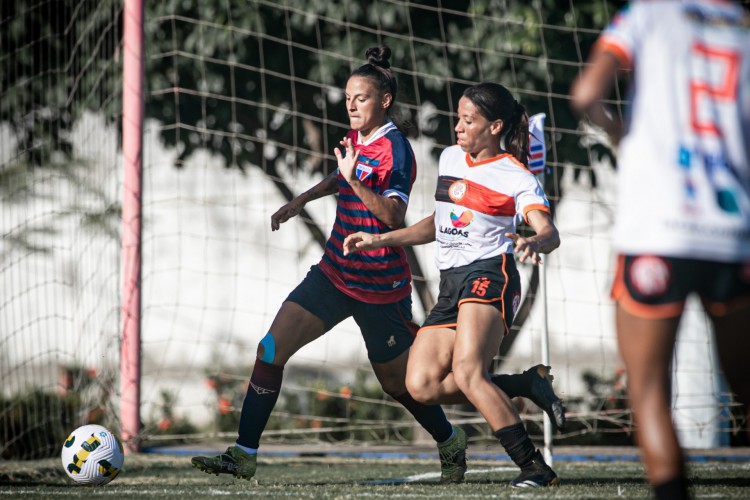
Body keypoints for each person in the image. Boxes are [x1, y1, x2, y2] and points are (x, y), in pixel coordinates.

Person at [570, 2, 750, 499]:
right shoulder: (741, 26)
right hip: (732, 229)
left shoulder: (648, 14)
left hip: (658, 229)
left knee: (648, 393)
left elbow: (586, 93)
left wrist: (623, 134)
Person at [344, 82, 562, 488]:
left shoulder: (515, 176)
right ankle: (526, 383)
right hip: (450, 284)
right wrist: (380, 239)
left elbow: (549, 231)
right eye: (458, 118)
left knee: (467, 371)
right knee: (420, 384)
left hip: (489, 275)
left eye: (468, 120)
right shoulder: (449, 158)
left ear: (495, 126)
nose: (458, 128)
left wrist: (533, 240)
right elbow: (439, 223)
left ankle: (533, 467)